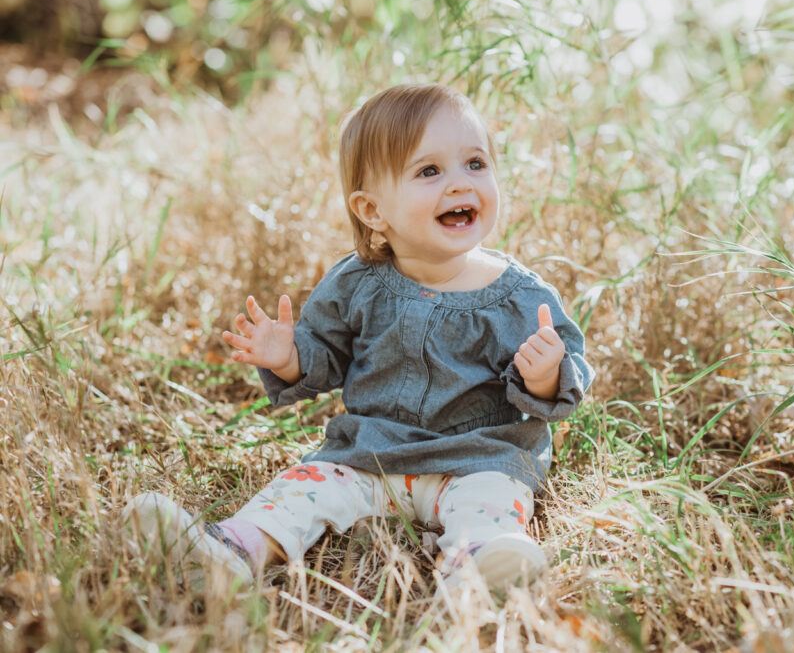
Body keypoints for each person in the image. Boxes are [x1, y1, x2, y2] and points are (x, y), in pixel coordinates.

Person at [124, 83, 594, 593]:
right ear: (373, 211)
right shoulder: (356, 283)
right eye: (429, 171)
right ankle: (233, 549)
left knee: (493, 501)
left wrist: (546, 375)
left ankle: (478, 564)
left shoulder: (520, 297)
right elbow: (322, 355)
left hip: (478, 457)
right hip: (370, 455)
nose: (460, 184)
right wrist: (289, 357)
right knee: (306, 488)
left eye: (475, 164)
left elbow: (565, 384)